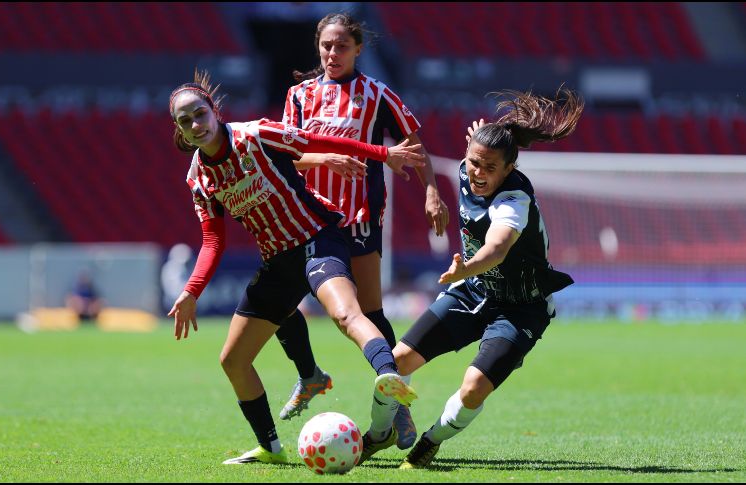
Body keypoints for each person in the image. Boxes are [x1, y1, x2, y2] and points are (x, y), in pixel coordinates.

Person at [167, 69, 424, 465]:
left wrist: (383, 154)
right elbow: (213, 241)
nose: (195, 125)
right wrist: (190, 292)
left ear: (214, 110)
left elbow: (318, 140)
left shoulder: (255, 134)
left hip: (317, 239)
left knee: (344, 313)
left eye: (199, 114)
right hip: (278, 260)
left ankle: (387, 378)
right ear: (180, 132)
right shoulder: (199, 178)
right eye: (185, 122)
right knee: (232, 360)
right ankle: (271, 449)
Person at [356, 88, 584, 467]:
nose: (478, 173)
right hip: (475, 291)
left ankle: (431, 440)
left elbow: (496, 249)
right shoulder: (471, 164)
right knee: (393, 365)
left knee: (474, 386)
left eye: (490, 168)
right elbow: (482, 149)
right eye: (474, 162)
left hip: (521, 308)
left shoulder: (514, 200)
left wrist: (467, 267)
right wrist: (480, 141)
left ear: (509, 169)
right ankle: (381, 434)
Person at [274, 12, 450, 451]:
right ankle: (310, 374)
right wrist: (323, 161)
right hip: (308, 218)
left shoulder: (376, 95)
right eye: (327, 46)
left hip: (358, 220)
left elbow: (414, 146)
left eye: (342, 46)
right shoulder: (298, 97)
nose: (333, 54)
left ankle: (398, 408)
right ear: (318, 46)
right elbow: (286, 156)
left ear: (358, 49)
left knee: (368, 314)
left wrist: (432, 192)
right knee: (277, 303)